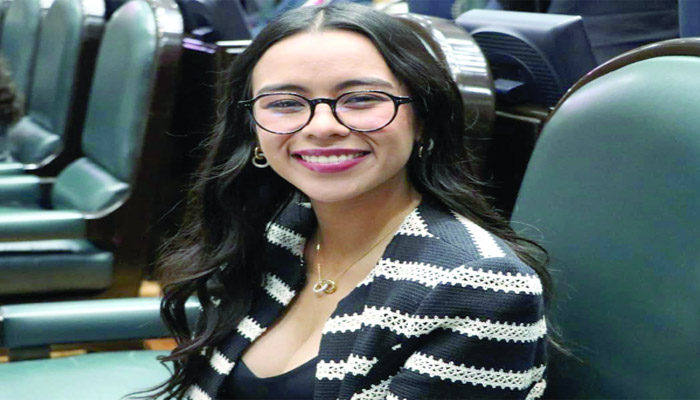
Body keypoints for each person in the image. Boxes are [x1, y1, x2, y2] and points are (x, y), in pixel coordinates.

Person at [152, 2, 550, 399]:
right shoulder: (272, 229)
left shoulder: (479, 284)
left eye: (360, 99)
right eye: (285, 103)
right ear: (252, 130)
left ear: (424, 120)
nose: (322, 127)